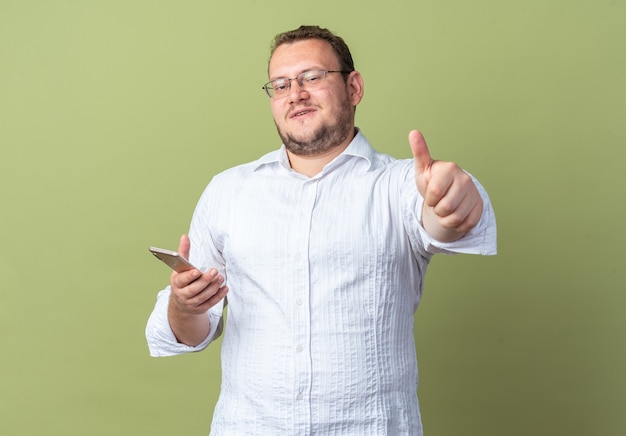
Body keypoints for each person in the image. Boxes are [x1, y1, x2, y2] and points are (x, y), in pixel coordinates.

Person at [146, 24, 497, 435]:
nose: (295, 93)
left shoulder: (400, 185)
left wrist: (454, 204)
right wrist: (184, 307)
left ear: (354, 88)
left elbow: (443, 219)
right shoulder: (228, 190)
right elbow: (191, 332)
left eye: (312, 77)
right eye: (280, 85)